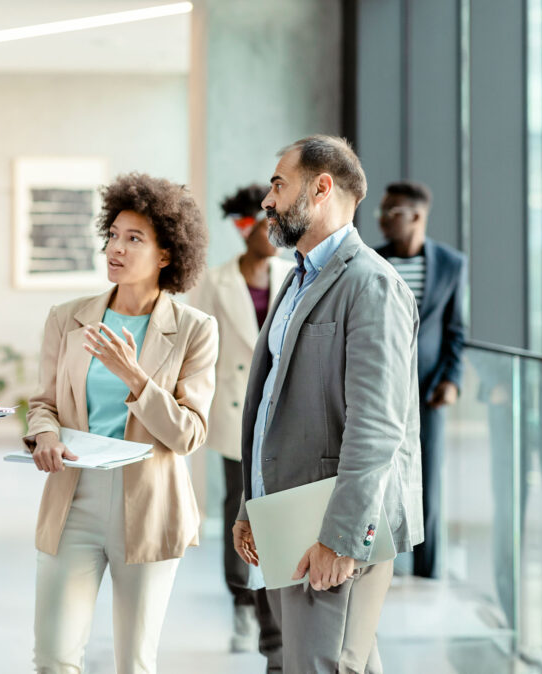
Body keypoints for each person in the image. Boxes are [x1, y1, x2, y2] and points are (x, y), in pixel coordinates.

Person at [231, 136, 424, 673]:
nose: (267, 200)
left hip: (329, 528)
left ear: (321, 189)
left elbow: (378, 425)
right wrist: (251, 505)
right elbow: (270, 402)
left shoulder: (371, 285)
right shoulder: (296, 278)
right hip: (284, 519)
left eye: (278, 184)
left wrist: (341, 538)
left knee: (328, 664)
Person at [24, 173, 219, 674]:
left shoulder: (196, 330)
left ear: (166, 255)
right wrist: (44, 432)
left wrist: (134, 377)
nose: (117, 248)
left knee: (134, 663)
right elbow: (43, 402)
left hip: (151, 505)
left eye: (135, 239)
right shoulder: (67, 318)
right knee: (53, 657)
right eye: (113, 234)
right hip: (74, 498)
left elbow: (190, 433)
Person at [185, 184, 290, 665]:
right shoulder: (217, 281)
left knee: (279, 507)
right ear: (244, 230)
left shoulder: (293, 273)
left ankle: (275, 607)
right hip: (233, 410)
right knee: (239, 507)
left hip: (283, 409)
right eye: (259, 225)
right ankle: (242, 601)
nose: (269, 233)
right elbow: (200, 348)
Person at [373, 181, 465, 579]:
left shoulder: (451, 264)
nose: (381, 219)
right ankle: (380, 564)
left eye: (391, 212)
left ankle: (427, 571)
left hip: (427, 393)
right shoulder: (373, 262)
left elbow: (456, 332)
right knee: (376, 476)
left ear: (416, 216)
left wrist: (452, 380)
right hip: (378, 389)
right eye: (382, 211)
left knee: (427, 480)